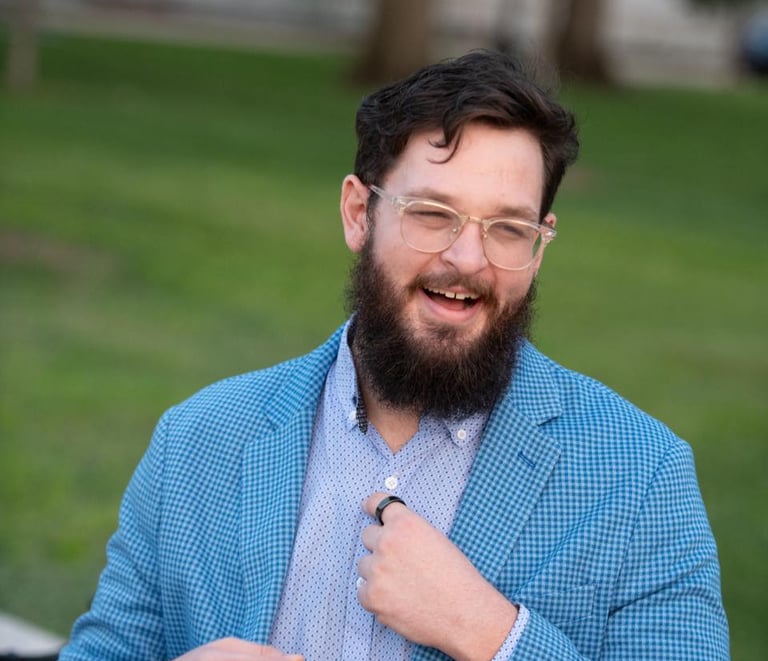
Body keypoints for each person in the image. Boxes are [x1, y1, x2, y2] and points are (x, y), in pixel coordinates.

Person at [59, 50, 729, 660]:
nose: (467, 260)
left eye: (507, 227)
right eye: (433, 214)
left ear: (542, 242)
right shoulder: (197, 442)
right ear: (359, 213)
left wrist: (490, 631)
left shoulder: (641, 476)